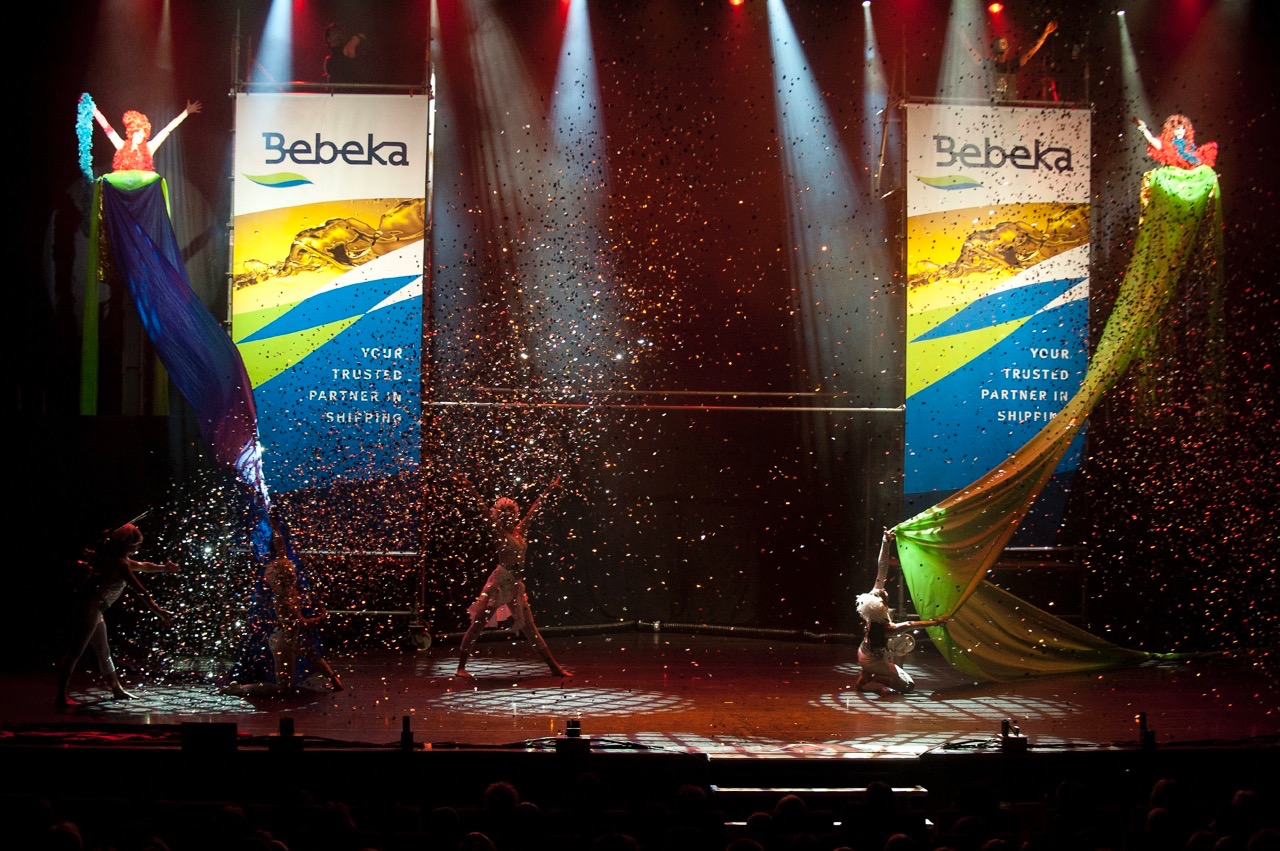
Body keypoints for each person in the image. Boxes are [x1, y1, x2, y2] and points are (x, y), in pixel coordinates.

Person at [452, 472, 572, 679]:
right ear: (499, 515)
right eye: (504, 512)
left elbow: (533, 511)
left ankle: (553, 667)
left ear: (514, 514)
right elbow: (483, 510)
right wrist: (468, 487)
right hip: (499, 583)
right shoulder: (498, 532)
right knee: (479, 624)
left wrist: (549, 490)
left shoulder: (519, 531)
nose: (508, 515)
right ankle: (461, 667)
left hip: (515, 584)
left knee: (529, 627)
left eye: (510, 511)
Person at [55, 522, 180, 708]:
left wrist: (164, 568)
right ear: (128, 545)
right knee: (76, 652)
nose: (138, 548)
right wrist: (158, 610)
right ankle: (60, 697)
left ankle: (116, 689)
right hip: (90, 608)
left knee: (103, 651)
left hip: (96, 609)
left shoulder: (119, 560)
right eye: (136, 545)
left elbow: (144, 566)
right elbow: (141, 591)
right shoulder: (119, 564)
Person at [262, 522, 343, 692]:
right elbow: (300, 622)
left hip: (291, 637)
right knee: (284, 685)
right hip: (285, 641)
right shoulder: (285, 599)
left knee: (313, 656)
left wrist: (275, 528)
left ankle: (335, 681)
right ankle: (239, 689)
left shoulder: (286, 591)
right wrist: (320, 617)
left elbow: (280, 547)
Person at [854, 556, 946, 696]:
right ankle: (872, 676)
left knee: (890, 663)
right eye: (882, 592)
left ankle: (865, 678)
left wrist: (886, 544)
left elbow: (882, 568)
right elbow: (910, 624)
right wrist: (936, 622)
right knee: (908, 686)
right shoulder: (888, 628)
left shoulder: (873, 611)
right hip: (872, 660)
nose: (883, 589)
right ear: (881, 603)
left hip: (865, 652)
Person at [87, 96, 201, 173]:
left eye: (143, 133)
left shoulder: (149, 147)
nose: (141, 136)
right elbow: (107, 128)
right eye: (138, 132)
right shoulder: (121, 146)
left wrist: (186, 112)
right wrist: (94, 110)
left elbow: (167, 130)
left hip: (142, 194)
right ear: (132, 132)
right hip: (123, 192)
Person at [984, 21, 1057, 103]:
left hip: (1010, 104)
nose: (1002, 46)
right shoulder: (988, 65)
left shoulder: (1012, 65)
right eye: (1000, 44)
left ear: (1008, 49)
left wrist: (1045, 33)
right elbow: (975, 56)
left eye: (1004, 43)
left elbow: (1031, 52)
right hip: (993, 105)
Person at [1134, 114, 1218, 170]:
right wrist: (1143, 128)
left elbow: (1195, 157)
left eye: (1183, 128)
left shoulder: (1189, 144)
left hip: (1192, 173)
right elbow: (1151, 140)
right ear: (1171, 130)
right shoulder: (1169, 145)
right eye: (1177, 129)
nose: (1181, 131)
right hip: (1176, 177)